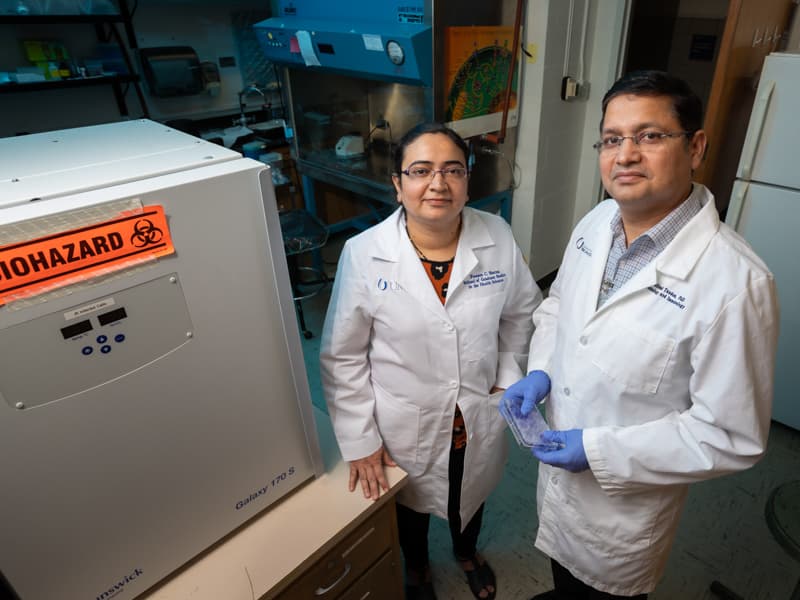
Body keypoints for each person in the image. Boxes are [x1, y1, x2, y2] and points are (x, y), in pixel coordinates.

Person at [505, 70, 780, 599]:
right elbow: (561, 306)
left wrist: (601, 452)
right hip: (558, 482)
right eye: (612, 139)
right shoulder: (598, 221)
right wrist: (540, 369)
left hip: (622, 516)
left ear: (695, 146)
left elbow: (732, 435)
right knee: (562, 576)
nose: (625, 154)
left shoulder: (736, 283)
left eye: (650, 136)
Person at [320, 122, 541, 600]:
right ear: (398, 184)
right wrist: (360, 440)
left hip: (478, 409)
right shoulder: (364, 255)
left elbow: (522, 313)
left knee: (473, 487)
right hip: (404, 418)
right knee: (412, 502)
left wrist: (506, 380)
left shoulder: (496, 234)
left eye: (452, 170)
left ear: (467, 181)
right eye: (420, 171)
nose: (437, 184)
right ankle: (417, 567)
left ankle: (466, 552)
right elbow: (343, 356)